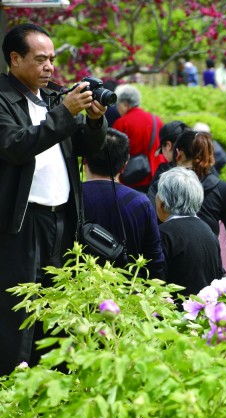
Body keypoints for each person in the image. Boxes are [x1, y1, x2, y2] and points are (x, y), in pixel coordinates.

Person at [0, 23, 108, 375]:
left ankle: (53, 382)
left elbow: (90, 151)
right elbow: (16, 146)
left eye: (53, 59)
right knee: (21, 307)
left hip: (62, 220)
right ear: (15, 60)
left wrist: (94, 122)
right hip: (21, 223)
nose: (50, 67)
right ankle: (14, 388)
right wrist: (66, 113)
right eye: (41, 59)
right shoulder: (3, 99)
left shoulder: (52, 97)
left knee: (58, 304)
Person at [82, 128, 165, 277]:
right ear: (124, 165)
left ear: (84, 160)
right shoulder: (140, 202)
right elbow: (154, 260)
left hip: (75, 291)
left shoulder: (69, 197)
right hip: (127, 291)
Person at [156, 167, 225, 297]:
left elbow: (156, 282)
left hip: (174, 313)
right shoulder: (208, 231)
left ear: (162, 203)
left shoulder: (163, 234)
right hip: (204, 311)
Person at [171, 130, 226, 245]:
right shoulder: (222, 189)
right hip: (209, 258)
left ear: (178, 153)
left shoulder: (165, 186)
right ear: (209, 154)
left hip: (173, 257)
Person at [112, 84, 165, 192]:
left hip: (132, 178)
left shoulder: (122, 123)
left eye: (118, 105)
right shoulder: (156, 120)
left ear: (126, 104)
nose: (117, 109)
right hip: (156, 175)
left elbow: (115, 153)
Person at [147, 120, 190, 205]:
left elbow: (151, 205)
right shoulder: (206, 169)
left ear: (168, 145)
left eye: (162, 151)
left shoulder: (164, 173)